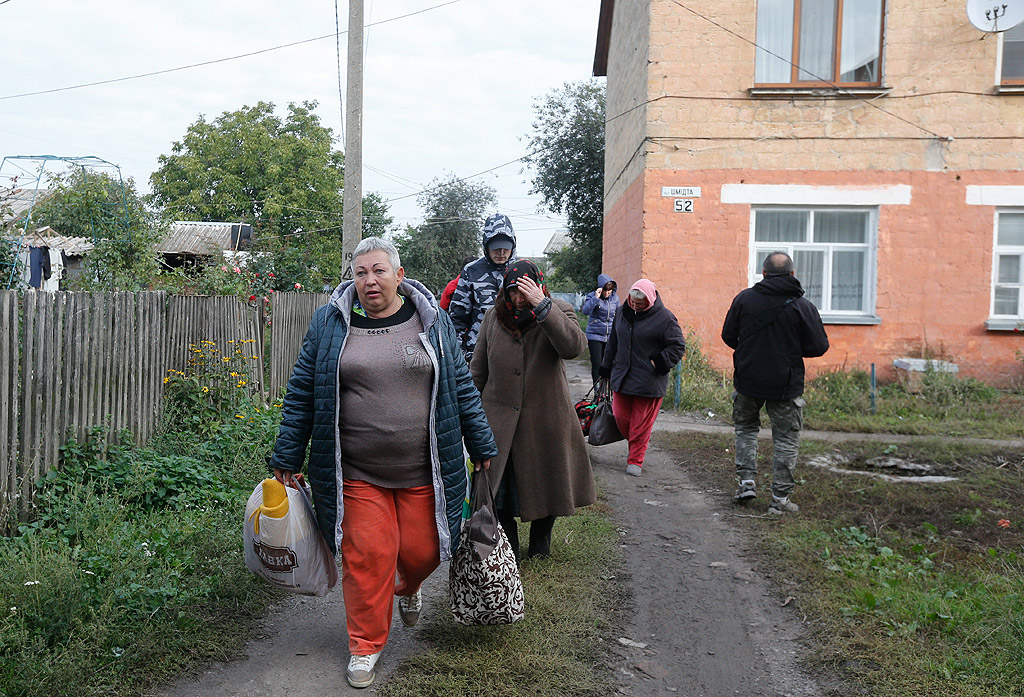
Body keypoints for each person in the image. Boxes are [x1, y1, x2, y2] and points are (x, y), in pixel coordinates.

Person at [269, 237, 498, 689]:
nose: (369, 281)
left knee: (425, 551)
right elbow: (302, 392)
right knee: (367, 556)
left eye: (378, 270)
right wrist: (288, 454)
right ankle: (364, 646)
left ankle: (408, 588)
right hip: (356, 471)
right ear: (351, 278)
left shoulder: (433, 321)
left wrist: (482, 445)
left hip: (424, 470)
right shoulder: (331, 323)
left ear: (399, 273)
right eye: (360, 272)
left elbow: (462, 389)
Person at [471, 259, 596, 561]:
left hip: (546, 419)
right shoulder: (493, 317)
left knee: (548, 486)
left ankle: (541, 542)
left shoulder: (559, 312)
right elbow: (478, 371)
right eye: (514, 290)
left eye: (526, 289)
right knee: (498, 494)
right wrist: (470, 416)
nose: (519, 297)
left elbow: (573, 347)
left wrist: (542, 307)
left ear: (540, 286)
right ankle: (508, 549)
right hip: (499, 421)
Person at [721, 251, 829, 515]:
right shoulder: (803, 306)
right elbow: (819, 346)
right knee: (786, 440)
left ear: (764, 273)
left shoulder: (744, 299)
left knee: (746, 429)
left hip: (748, 378)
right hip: (786, 382)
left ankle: (746, 483)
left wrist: (750, 352)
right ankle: (779, 499)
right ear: (792, 275)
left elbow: (728, 336)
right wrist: (789, 350)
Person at [599, 279, 685, 477]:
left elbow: (677, 346)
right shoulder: (622, 312)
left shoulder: (665, 318)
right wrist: (606, 365)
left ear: (650, 300)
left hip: (649, 380)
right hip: (622, 375)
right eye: (633, 302)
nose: (635, 306)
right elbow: (613, 340)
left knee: (640, 423)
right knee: (620, 417)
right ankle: (637, 444)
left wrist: (660, 360)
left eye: (640, 304)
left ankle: (635, 459)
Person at [449, 213, 516, 362]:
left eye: (505, 247)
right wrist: (458, 356)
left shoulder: (522, 270)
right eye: (495, 247)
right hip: (478, 353)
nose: (501, 252)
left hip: (515, 354)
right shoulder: (471, 271)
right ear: (486, 245)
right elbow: (457, 319)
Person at [580, 273, 619, 384]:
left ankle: (607, 389)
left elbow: (619, 314)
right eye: (605, 290)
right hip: (595, 335)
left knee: (608, 363)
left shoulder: (615, 299)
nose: (607, 293)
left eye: (609, 291)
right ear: (601, 288)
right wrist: (595, 298)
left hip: (610, 335)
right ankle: (597, 390)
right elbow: (586, 311)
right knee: (597, 363)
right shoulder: (592, 296)